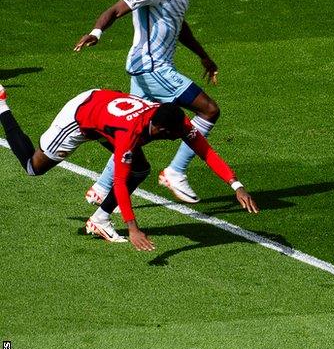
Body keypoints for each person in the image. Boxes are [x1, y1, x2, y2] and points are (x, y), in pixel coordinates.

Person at [0, 85, 258, 251]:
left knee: (140, 169)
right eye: (175, 134)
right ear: (161, 131)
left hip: (105, 113)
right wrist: (133, 228)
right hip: (80, 118)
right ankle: (2, 105)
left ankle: (100, 219)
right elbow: (120, 183)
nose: (180, 135)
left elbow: (205, 150)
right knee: (33, 167)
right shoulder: (129, 135)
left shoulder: (171, 118)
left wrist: (236, 185)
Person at [74, 0, 222, 206]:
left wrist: (203, 56)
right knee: (209, 110)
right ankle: (175, 171)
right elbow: (116, 10)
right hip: (152, 68)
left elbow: (178, 24)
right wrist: (96, 32)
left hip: (150, 69)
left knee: (138, 131)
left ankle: (101, 187)